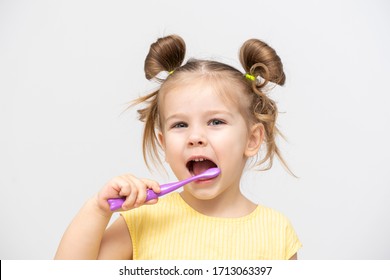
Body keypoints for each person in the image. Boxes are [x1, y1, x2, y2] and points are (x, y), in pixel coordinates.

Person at [54, 35, 302, 260]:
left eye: (216, 121)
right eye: (180, 124)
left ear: (252, 139)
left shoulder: (276, 232)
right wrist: (98, 210)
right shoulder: (142, 219)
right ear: (163, 143)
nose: (195, 137)